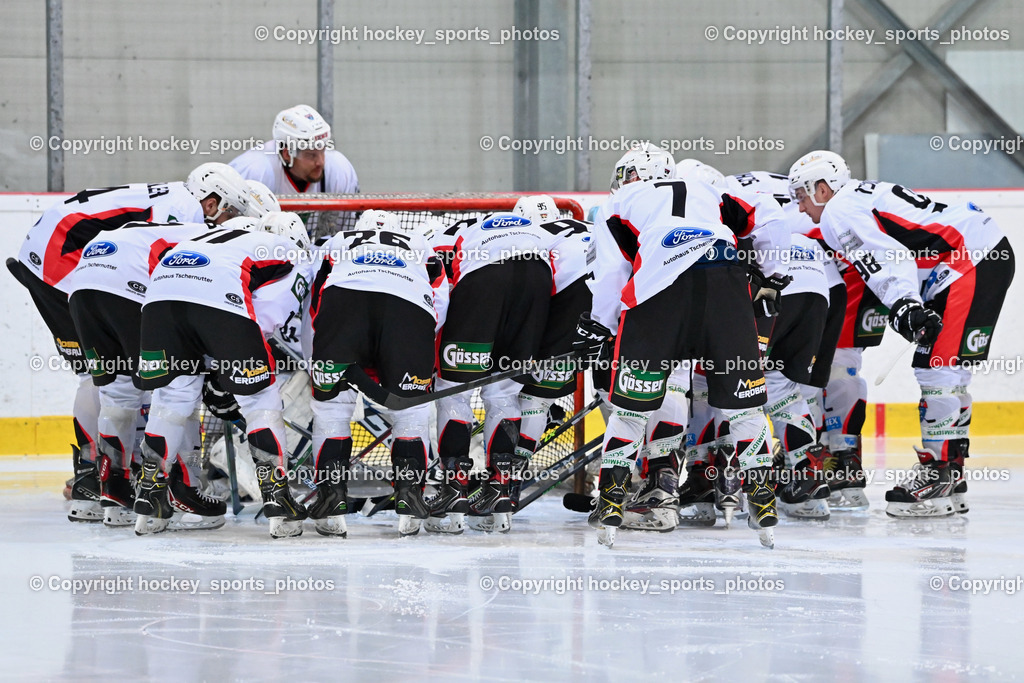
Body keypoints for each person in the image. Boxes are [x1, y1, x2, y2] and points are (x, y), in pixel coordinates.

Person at [6, 163, 252, 522]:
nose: (224, 222)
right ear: (211, 201)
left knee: (104, 375)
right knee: (162, 372)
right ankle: (162, 482)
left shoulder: (171, 196)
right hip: (64, 259)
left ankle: (100, 480)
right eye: (227, 211)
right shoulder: (186, 209)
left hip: (52, 257)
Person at [581, 144, 790, 548]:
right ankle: (762, 501)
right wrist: (773, 272)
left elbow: (611, 272)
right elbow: (770, 214)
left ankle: (610, 501)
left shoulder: (619, 202)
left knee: (631, 407)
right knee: (744, 405)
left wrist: (598, 325)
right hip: (725, 282)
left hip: (660, 290)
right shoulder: (710, 187)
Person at [789, 150, 1014, 517]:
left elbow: (887, 258)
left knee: (936, 367)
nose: (800, 208)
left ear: (822, 189)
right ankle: (949, 472)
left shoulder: (838, 211)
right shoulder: (860, 195)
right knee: (949, 369)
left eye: (801, 196)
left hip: (966, 259)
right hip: (980, 253)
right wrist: (905, 304)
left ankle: (939, 473)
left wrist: (905, 303)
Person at [135, 212, 312, 536]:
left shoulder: (219, 239)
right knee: (260, 399)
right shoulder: (296, 254)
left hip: (158, 302)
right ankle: (279, 503)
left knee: (171, 399)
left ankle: (150, 498)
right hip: (218, 305)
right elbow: (270, 321)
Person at [307, 210, 448, 537]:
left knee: (331, 410)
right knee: (411, 411)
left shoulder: (339, 241)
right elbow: (440, 297)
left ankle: (331, 499)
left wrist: (330, 351)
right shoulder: (419, 243)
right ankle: (410, 498)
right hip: (409, 308)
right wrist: (415, 349)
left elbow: (316, 298)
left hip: (343, 305)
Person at [66, 219, 215, 526]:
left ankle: (114, 493)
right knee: (178, 386)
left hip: (80, 289)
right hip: (128, 291)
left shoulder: (162, 226)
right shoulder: (211, 238)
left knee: (117, 393)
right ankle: (180, 492)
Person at [429, 210, 560, 534]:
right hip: (537, 277)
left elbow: (438, 296)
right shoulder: (533, 228)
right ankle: (499, 497)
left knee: (454, 392)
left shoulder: (439, 236)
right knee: (504, 393)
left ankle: (453, 494)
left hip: (483, 280)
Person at [230, 104, 358, 235]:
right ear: (287, 154)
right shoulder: (254, 170)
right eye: (311, 154)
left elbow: (345, 234)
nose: (320, 161)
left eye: (323, 151)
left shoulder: (339, 170)